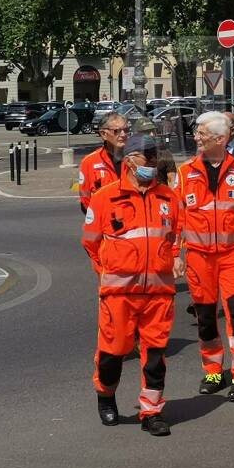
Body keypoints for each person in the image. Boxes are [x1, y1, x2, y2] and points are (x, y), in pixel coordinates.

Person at [81, 134, 180, 436]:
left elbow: (174, 237)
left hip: (158, 294)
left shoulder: (168, 197)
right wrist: (111, 272)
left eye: (154, 158)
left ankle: (151, 411)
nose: (151, 163)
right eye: (146, 158)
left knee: (155, 355)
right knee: (114, 352)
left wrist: (173, 259)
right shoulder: (105, 197)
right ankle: (106, 396)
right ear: (130, 160)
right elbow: (91, 243)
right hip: (119, 293)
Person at [175, 111, 234, 402]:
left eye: (202, 133)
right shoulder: (185, 171)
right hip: (199, 258)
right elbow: (178, 218)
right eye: (198, 132)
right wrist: (176, 254)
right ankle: (213, 370)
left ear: (220, 138)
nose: (196, 137)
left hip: (233, 256)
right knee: (205, 317)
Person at [78, 112, 129, 214]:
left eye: (126, 130)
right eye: (117, 131)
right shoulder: (89, 162)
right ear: (104, 134)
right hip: (106, 225)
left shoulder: (136, 159)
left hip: (134, 224)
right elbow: (85, 199)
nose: (123, 134)